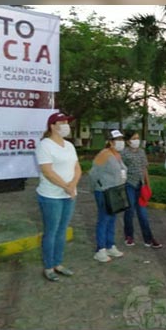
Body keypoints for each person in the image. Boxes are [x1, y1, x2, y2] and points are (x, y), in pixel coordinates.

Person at [35, 112, 81, 282]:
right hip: (51, 196)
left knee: (62, 231)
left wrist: (72, 185)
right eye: (61, 123)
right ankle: (49, 267)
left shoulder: (69, 145)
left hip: (69, 195)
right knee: (51, 232)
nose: (66, 126)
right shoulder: (45, 145)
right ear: (52, 126)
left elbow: (77, 168)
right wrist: (65, 186)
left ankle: (58, 263)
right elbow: (47, 172)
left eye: (66, 122)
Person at [90, 130, 128, 263]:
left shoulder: (117, 155)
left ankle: (110, 245)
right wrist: (98, 187)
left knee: (112, 219)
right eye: (117, 140)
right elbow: (93, 173)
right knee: (104, 219)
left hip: (116, 191)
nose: (120, 142)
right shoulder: (104, 154)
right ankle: (100, 249)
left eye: (122, 139)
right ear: (110, 142)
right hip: (104, 191)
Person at [119, 131, 162, 249]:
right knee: (130, 211)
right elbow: (121, 169)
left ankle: (148, 238)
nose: (136, 140)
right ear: (128, 141)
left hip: (140, 185)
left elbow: (144, 168)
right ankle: (129, 236)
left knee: (143, 214)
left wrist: (147, 184)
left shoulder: (141, 152)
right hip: (129, 184)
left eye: (137, 138)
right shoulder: (124, 153)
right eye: (134, 138)